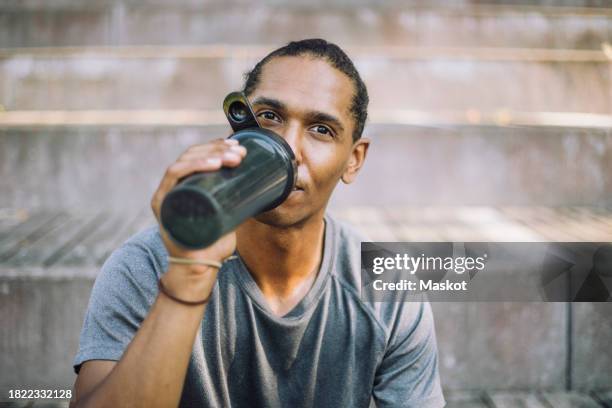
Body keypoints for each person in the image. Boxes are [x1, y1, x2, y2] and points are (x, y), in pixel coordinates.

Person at [70, 39, 445, 408]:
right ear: (239, 129)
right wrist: (188, 273)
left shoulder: (389, 292)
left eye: (321, 129)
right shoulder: (146, 265)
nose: (288, 148)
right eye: (270, 117)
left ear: (354, 160)